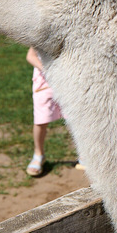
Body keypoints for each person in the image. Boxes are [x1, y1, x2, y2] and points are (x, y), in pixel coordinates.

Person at [25, 46, 80, 176]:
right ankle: (38, 154)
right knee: (41, 121)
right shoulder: (41, 36)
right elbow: (30, 56)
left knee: (74, 120)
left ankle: (83, 155)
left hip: (67, 83)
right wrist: (47, 70)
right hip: (44, 84)